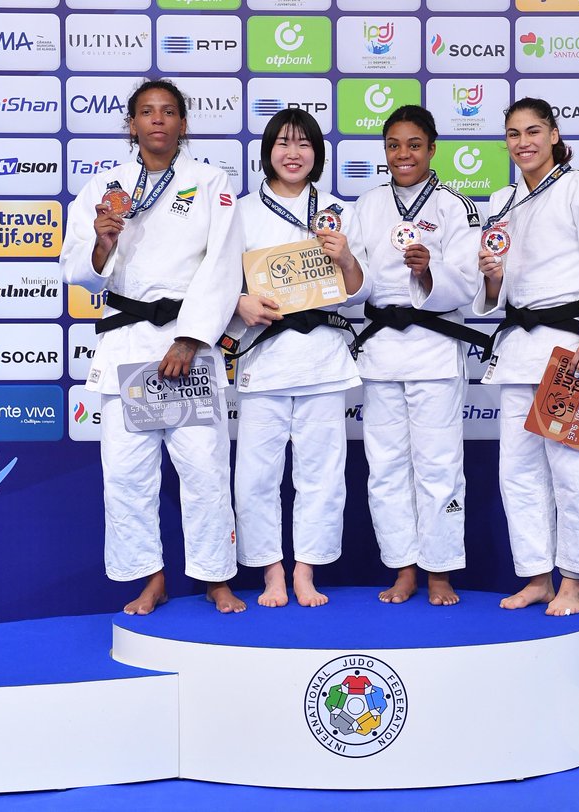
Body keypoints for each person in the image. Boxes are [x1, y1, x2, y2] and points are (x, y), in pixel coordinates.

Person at [59, 78, 246, 615]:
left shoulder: (211, 183)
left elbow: (223, 264)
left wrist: (190, 338)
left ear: (184, 124)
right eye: (147, 112)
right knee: (127, 473)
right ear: (132, 125)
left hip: (188, 339)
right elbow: (77, 272)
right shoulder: (104, 185)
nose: (158, 120)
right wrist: (102, 241)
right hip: (128, 345)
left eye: (168, 112)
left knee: (204, 468)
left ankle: (216, 578)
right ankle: (151, 578)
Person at [474, 98, 579, 617]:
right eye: (513, 133)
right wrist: (492, 275)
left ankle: (574, 583)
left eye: (534, 131)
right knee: (517, 471)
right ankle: (537, 576)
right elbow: (498, 288)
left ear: (555, 134)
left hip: (569, 352)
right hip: (519, 349)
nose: (524, 142)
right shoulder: (502, 200)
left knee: (573, 471)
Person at [228, 109, 368, 608]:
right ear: (267, 150)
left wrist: (346, 257)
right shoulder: (241, 211)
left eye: (304, 144)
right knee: (256, 475)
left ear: (318, 153)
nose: (293, 153)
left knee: (322, 473)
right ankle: (271, 571)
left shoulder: (336, 209)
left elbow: (356, 292)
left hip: (323, 359)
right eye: (284, 143)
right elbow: (220, 283)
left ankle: (306, 569)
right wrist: (238, 303)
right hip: (264, 356)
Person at [351, 105, 485, 606]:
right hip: (382, 348)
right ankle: (403, 567)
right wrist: (343, 260)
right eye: (393, 145)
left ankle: (441, 570)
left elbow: (470, 284)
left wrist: (429, 271)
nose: (402, 154)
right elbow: (354, 283)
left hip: (433, 349)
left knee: (439, 464)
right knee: (385, 465)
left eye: (413, 144)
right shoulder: (366, 205)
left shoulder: (455, 207)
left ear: (432, 149)